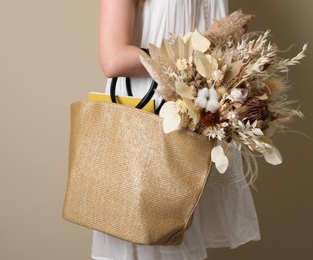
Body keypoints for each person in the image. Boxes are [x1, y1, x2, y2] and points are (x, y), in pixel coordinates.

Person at [92, 1, 260, 259]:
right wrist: (208, 42)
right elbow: (114, 58)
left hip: (195, 124)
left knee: (181, 242)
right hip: (146, 124)